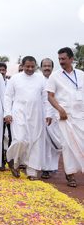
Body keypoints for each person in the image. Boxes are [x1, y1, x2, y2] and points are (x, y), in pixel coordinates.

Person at [46, 47, 84, 187]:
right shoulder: (55, 76)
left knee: (82, 144)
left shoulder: (81, 74)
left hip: (80, 116)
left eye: (63, 59)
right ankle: (70, 174)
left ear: (71, 59)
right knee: (67, 146)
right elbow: (50, 96)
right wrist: (59, 109)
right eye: (59, 59)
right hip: (64, 116)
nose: (61, 61)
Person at [4, 56, 47, 180]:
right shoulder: (15, 79)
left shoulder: (41, 79)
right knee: (19, 139)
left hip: (37, 114)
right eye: (27, 66)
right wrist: (7, 113)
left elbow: (45, 98)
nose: (30, 68)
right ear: (22, 66)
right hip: (19, 113)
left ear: (36, 66)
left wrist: (48, 114)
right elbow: (8, 96)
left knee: (35, 142)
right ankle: (13, 160)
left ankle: (32, 171)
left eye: (32, 66)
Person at [40, 58, 61, 179]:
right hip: (40, 115)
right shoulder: (38, 80)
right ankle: (44, 168)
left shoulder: (57, 79)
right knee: (43, 143)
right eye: (45, 66)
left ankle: (52, 167)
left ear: (52, 67)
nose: (47, 68)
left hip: (54, 116)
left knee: (54, 142)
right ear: (41, 67)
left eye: (49, 66)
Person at [0, 62, 13, 171]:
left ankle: (11, 160)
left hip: (11, 115)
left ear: (6, 71)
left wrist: (8, 113)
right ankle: (0, 161)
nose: (2, 72)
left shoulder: (10, 83)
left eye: (3, 70)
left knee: (12, 137)